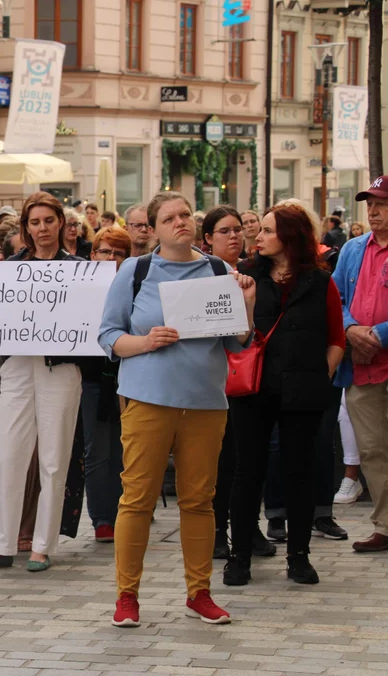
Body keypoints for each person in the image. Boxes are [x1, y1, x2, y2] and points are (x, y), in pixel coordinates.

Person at [99, 192, 256, 628]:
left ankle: (199, 592)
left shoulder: (218, 270)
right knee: (137, 498)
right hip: (147, 398)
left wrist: (247, 299)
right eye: (169, 218)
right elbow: (108, 336)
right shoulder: (136, 270)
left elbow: (236, 340)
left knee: (199, 500)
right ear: (154, 227)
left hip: (205, 401)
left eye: (185, 214)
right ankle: (127, 596)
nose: (180, 222)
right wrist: (146, 342)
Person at [223, 204, 345, 588]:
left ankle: (299, 556)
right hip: (255, 388)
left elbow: (337, 339)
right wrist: (246, 303)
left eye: (268, 231)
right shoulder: (246, 276)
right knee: (249, 472)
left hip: (303, 390)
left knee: (299, 472)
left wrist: (320, 375)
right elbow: (237, 336)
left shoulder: (321, 281)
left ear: (290, 236)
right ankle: (238, 556)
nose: (257, 236)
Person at [0, 193, 83, 575]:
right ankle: (1, 544)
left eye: (49, 220)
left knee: (53, 458)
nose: (43, 228)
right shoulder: (10, 269)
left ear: (61, 223)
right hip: (15, 365)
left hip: (61, 366)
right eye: (35, 222)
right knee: (7, 455)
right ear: (25, 228)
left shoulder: (79, 269)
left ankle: (41, 546)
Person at [199, 206, 276, 560]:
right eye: (224, 231)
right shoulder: (199, 276)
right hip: (211, 378)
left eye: (238, 230)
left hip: (248, 378)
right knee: (219, 460)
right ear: (208, 239)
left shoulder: (253, 273)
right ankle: (216, 531)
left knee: (248, 457)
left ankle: (249, 527)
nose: (234, 236)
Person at [333, 176, 388, 554]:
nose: (373, 211)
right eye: (369, 204)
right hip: (361, 367)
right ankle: (385, 525)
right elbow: (333, 298)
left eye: (381, 204)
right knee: (371, 449)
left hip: (379, 353)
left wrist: (379, 336)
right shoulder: (353, 249)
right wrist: (352, 329)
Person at [79, 227, 131, 543]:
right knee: (98, 450)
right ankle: (102, 518)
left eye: (118, 253)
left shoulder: (136, 287)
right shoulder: (81, 286)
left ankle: (127, 512)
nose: (111, 258)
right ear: (93, 254)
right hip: (92, 378)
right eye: (105, 251)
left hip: (130, 376)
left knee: (127, 450)